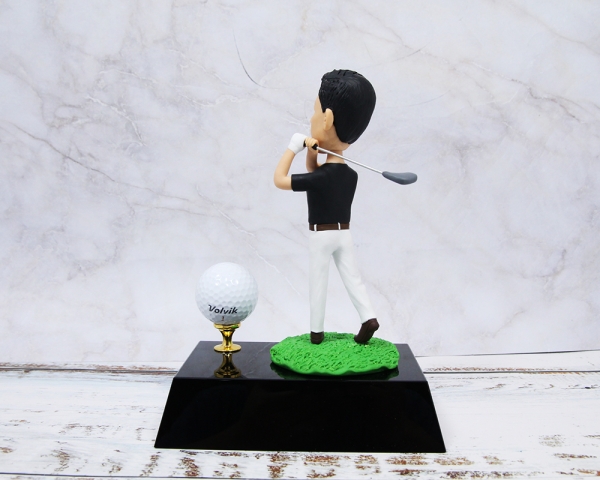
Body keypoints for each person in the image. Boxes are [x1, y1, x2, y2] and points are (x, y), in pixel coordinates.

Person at [273, 69, 379, 345]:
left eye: (315, 111)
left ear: (327, 119)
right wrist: (312, 151)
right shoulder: (351, 175)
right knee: (353, 278)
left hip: (321, 236)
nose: (311, 118)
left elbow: (279, 180)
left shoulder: (321, 178)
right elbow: (316, 169)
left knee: (318, 283)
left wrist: (293, 147)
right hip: (344, 234)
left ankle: (316, 333)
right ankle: (368, 318)